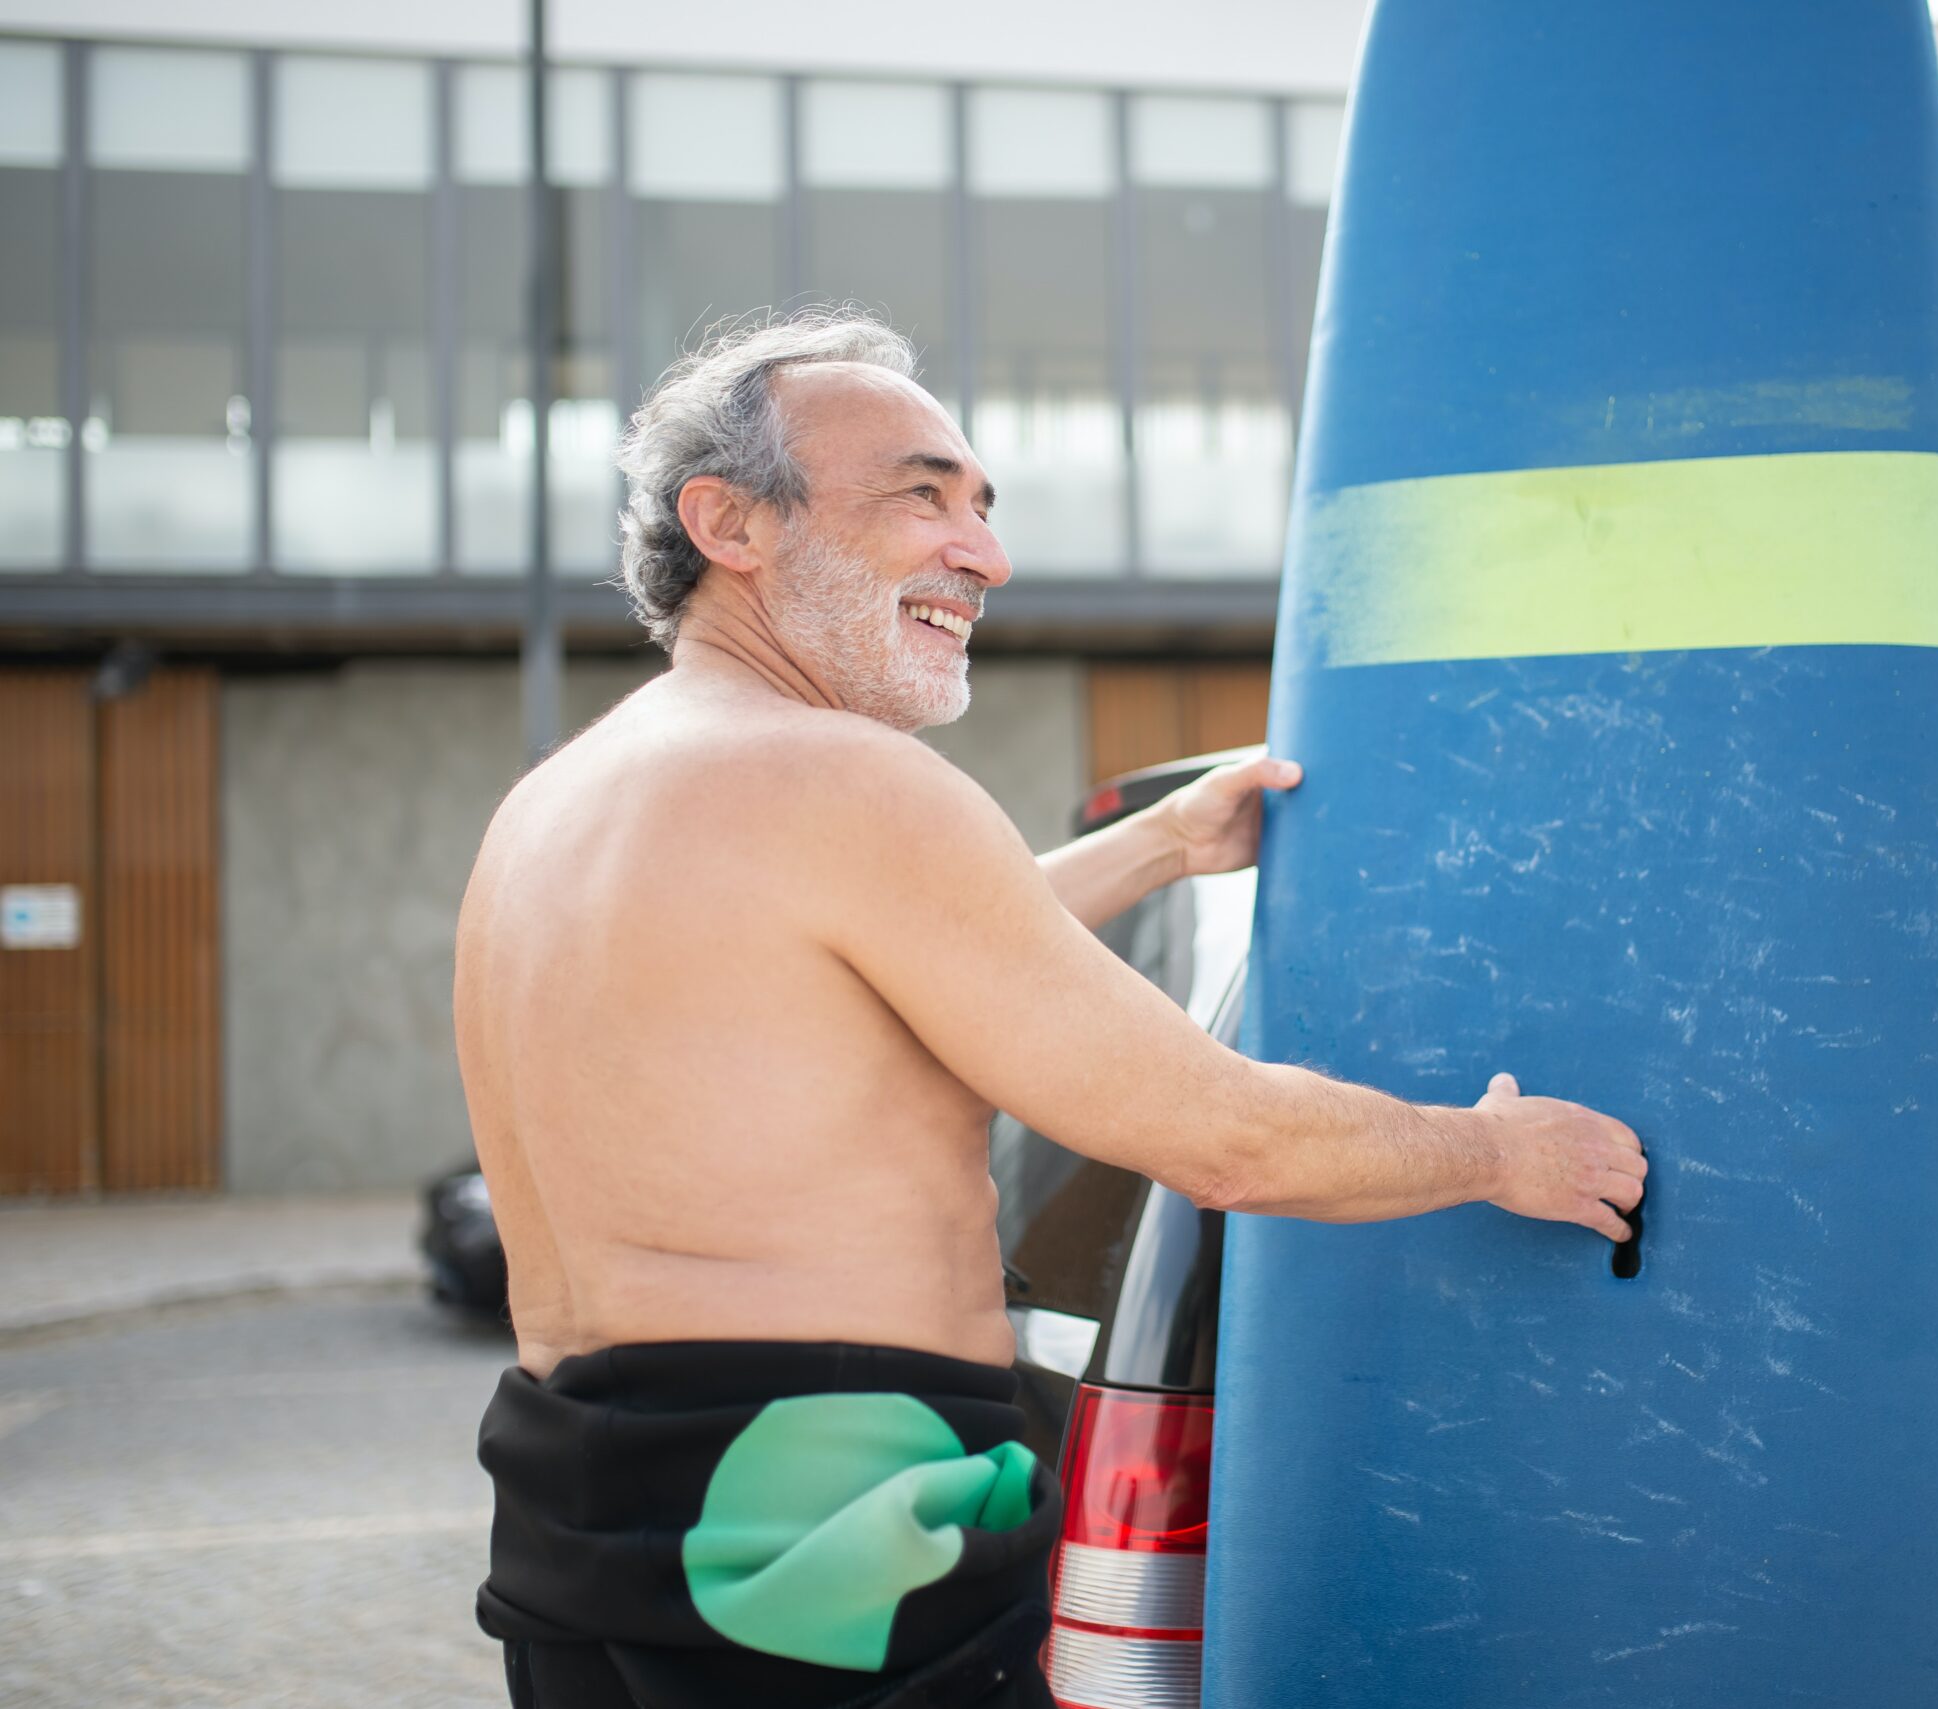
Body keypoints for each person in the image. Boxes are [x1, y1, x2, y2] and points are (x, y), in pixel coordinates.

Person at [454, 306, 1648, 1709]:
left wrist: (1159, 844)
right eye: (923, 494)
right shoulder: (844, 783)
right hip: (832, 1546)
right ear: (730, 522)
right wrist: (1498, 1152)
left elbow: (864, 963)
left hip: (589, 1539)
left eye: (985, 507)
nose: (986, 554)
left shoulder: (560, 811)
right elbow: (1225, 1138)